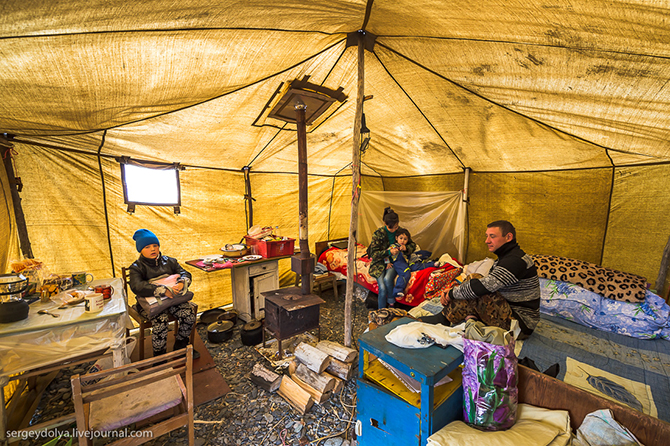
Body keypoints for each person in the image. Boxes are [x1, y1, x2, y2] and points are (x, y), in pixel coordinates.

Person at [421, 220, 540, 339]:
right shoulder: (507, 257)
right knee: (473, 279)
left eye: (492, 236)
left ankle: (444, 318)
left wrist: (451, 294)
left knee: (477, 286)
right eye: (487, 236)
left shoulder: (515, 261)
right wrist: (453, 290)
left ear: (508, 237)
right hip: (509, 311)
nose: (487, 241)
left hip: (520, 325)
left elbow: (484, 287)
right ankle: (448, 316)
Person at [128, 229, 200, 359]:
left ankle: (181, 347)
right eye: (147, 247)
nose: (153, 249)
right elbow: (136, 286)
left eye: (155, 245)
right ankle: (159, 357)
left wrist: (182, 282)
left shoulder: (170, 261)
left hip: (172, 300)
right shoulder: (137, 267)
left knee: (189, 315)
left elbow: (185, 273)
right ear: (140, 250)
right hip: (150, 304)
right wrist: (161, 289)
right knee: (161, 321)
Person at [367, 207, 416, 309]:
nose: (394, 230)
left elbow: (412, 245)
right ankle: (381, 312)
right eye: (391, 228)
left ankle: (391, 304)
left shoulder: (400, 232)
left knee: (387, 278)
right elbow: (374, 253)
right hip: (379, 263)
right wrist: (388, 252)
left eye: (396, 227)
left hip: (393, 262)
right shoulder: (378, 234)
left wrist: (405, 248)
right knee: (383, 288)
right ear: (385, 224)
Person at [389, 228, 438, 300]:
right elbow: (386, 255)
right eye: (401, 238)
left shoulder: (407, 247)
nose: (402, 241)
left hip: (407, 262)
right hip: (398, 263)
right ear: (396, 238)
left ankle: (431, 264)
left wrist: (406, 249)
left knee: (415, 267)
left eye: (405, 239)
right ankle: (398, 291)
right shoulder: (393, 246)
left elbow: (411, 253)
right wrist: (387, 263)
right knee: (406, 273)